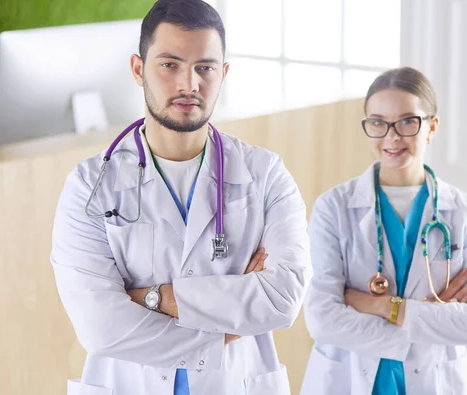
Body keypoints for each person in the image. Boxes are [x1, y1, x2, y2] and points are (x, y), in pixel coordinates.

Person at [50, 1, 311, 394]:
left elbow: (283, 298)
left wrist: (151, 299)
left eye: (205, 67)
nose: (189, 84)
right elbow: (101, 328)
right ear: (138, 69)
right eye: (170, 65)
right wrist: (226, 328)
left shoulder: (266, 175)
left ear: (223, 74)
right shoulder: (90, 185)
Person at [300, 67, 467, 395]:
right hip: (348, 379)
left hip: (435, 381)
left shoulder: (462, 211)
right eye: (378, 123)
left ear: (431, 127)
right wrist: (431, 322)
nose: (392, 137)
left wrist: (385, 306)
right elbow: (322, 319)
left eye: (408, 121)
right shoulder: (334, 207)